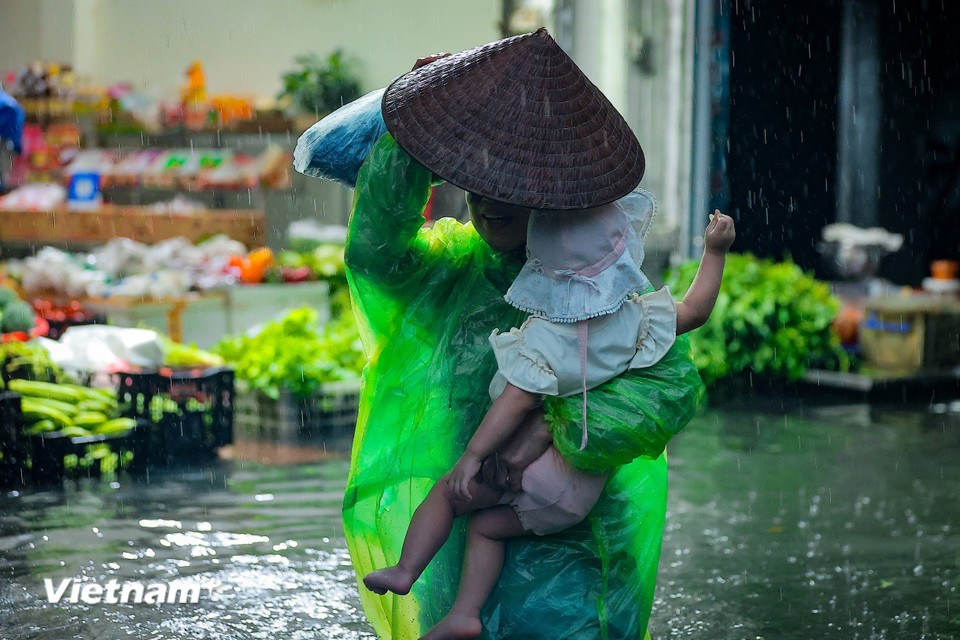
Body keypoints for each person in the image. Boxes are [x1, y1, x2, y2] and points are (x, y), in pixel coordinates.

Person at [331, 29, 707, 640]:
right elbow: (375, 255)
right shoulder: (451, 273)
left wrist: (546, 433)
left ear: (559, 198)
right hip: (467, 519)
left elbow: (661, 395)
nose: (491, 201)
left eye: (515, 187)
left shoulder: (603, 294)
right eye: (480, 181)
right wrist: (417, 134)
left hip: (572, 536)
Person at [360, 192, 734, 638]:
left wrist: (472, 457)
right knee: (489, 528)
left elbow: (516, 401)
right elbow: (695, 310)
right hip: (578, 492)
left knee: (449, 498)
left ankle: (410, 573)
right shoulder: (633, 317)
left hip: (538, 473)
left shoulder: (547, 337)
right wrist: (715, 250)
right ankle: (464, 613)